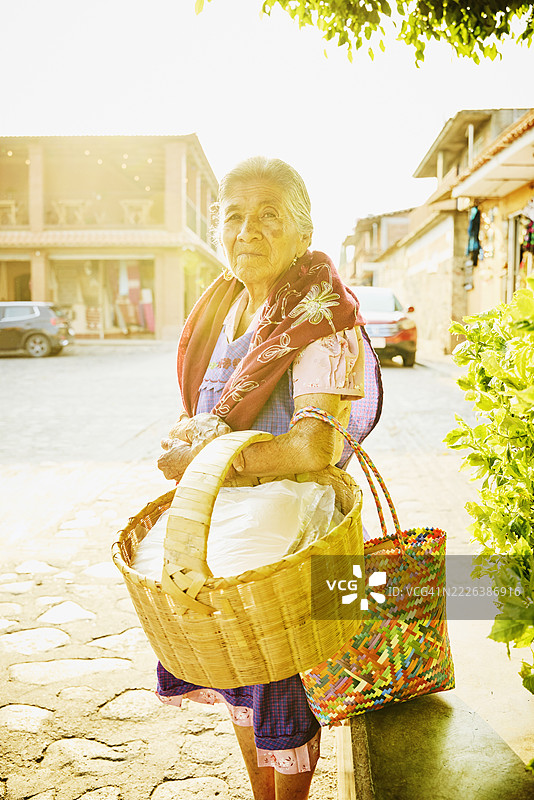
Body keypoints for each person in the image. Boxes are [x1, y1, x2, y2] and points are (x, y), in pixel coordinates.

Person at [156, 156, 382, 800]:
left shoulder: (323, 320)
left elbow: (312, 447)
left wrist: (205, 461)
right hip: (225, 534)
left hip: (289, 544)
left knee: (281, 686)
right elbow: (207, 412)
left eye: (268, 216)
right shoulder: (222, 310)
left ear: (303, 236)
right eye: (234, 216)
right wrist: (188, 437)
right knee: (240, 678)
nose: (246, 231)